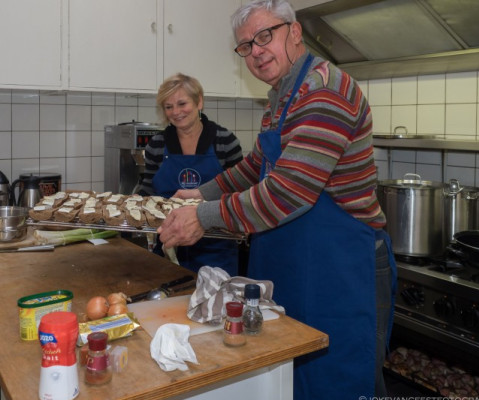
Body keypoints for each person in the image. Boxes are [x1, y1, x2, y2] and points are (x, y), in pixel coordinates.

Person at [157, 1, 397, 398]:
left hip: (340, 271)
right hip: (295, 265)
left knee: (336, 384)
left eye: (265, 36)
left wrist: (203, 216)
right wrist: (203, 192)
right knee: (289, 385)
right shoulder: (282, 98)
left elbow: (288, 192)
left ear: (295, 32)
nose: (256, 51)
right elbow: (256, 165)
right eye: (246, 46)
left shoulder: (325, 91)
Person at [137, 73, 243, 276]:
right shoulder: (157, 145)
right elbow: (148, 189)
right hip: (169, 246)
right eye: (169, 107)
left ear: (199, 101)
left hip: (216, 248)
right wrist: (136, 202)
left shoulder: (225, 142)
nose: (176, 112)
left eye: (182, 103)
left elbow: (238, 192)